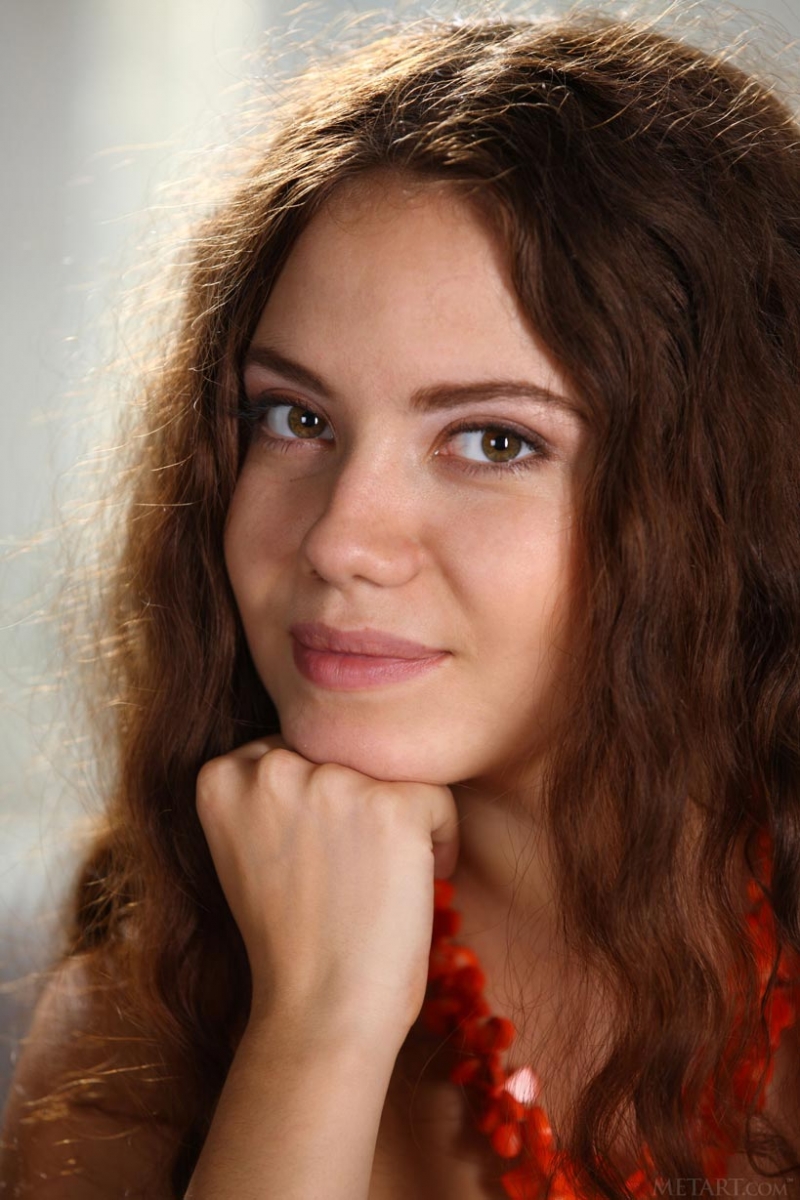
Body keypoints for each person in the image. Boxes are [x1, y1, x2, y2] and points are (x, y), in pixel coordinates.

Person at [1, 7, 800, 1198]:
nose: (338, 538)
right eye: (295, 418)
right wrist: (315, 1029)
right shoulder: (151, 999)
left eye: (492, 438)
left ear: (735, 491)